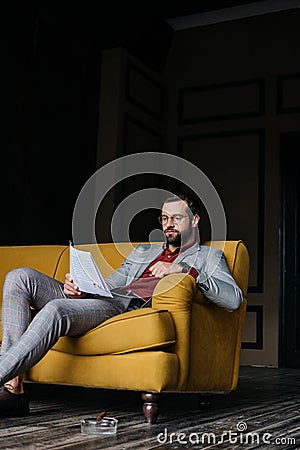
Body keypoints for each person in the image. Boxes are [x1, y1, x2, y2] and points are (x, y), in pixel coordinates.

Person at [0, 192, 242, 417]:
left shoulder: (208, 257)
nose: (169, 224)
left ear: (195, 220)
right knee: (19, 277)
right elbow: (112, 283)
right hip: (105, 297)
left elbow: (233, 299)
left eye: (177, 218)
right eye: (165, 218)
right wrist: (81, 288)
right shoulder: (143, 251)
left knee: (56, 310)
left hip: (121, 308)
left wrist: (184, 269)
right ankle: (14, 390)